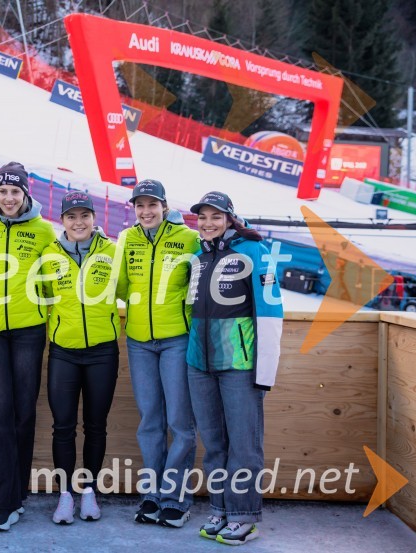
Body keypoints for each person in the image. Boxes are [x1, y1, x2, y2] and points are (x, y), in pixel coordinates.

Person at [186, 191, 283, 545]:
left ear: (230, 218)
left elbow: (271, 312)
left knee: (244, 443)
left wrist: (264, 370)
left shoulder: (253, 252)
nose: (208, 223)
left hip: (239, 365)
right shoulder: (197, 257)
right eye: (202, 217)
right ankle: (221, 509)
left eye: (215, 216)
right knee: (213, 444)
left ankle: (244, 515)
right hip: (199, 364)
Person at [0, 161, 56, 531]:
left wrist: (37, 299)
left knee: (23, 413)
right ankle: (2, 502)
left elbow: (54, 276)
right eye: (2, 192)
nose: (8, 198)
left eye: (15, 192)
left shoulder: (43, 230)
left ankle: (17, 492)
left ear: (25, 194)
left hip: (29, 330)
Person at [115, 179, 200, 528]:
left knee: (180, 421)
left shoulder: (188, 238)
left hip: (176, 339)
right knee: (150, 419)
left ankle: (176, 498)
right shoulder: (127, 239)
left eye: (152, 205)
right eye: (140, 205)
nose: (146, 211)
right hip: (138, 341)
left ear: (164, 206)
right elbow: (119, 285)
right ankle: (152, 494)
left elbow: (197, 287)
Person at [39, 191, 120, 524]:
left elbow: (127, 289)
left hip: (102, 351)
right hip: (64, 352)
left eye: (84, 215)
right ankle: (65, 496)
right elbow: (43, 296)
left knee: (96, 426)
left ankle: (89, 493)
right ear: (62, 221)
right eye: (71, 216)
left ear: (95, 218)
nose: (78, 222)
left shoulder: (112, 252)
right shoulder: (49, 255)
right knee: (63, 427)